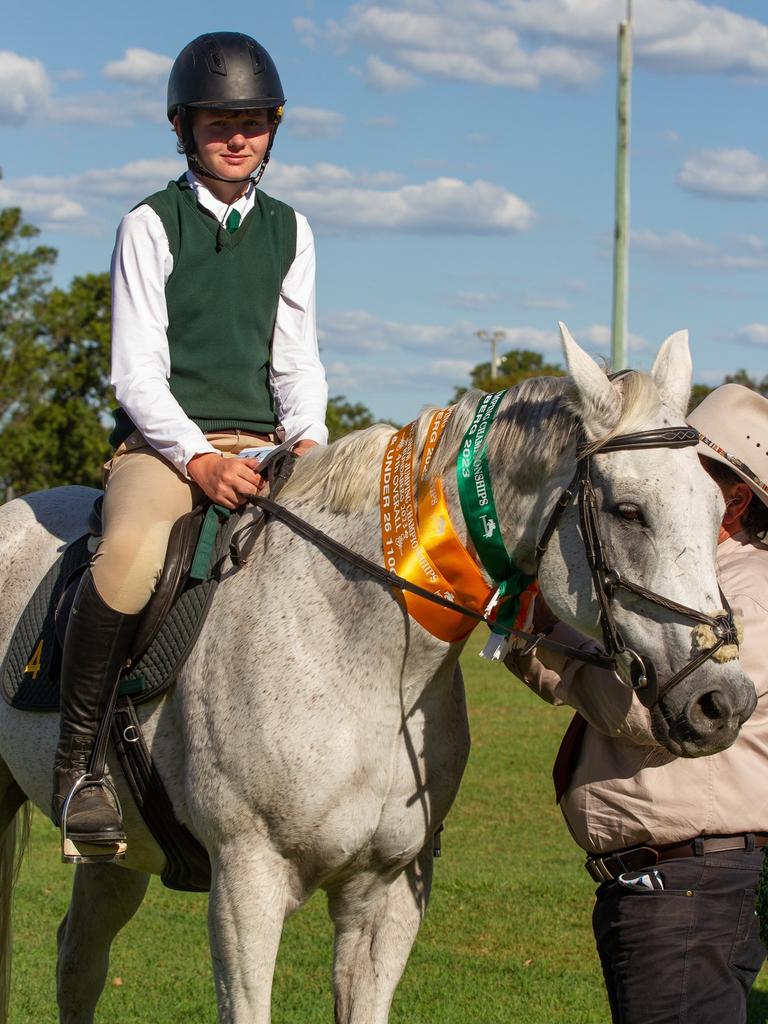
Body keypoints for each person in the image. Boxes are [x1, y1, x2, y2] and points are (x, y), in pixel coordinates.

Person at [52, 31, 328, 858]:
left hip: (268, 446)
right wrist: (199, 460)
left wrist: (311, 441)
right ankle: (78, 768)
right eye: (217, 122)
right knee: (131, 556)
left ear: (273, 128)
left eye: (251, 120)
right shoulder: (149, 223)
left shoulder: (292, 230)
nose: (236, 136)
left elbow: (297, 358)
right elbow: (135, 373)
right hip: (168, 449)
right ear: (183, 128)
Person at [506, 383, 768, 1024]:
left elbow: (643, 711)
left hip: (693, 886)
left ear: (731, 499)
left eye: (690, 467)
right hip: (684, 883)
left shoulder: (749, 592)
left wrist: (532, 624)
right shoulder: (708, 579)